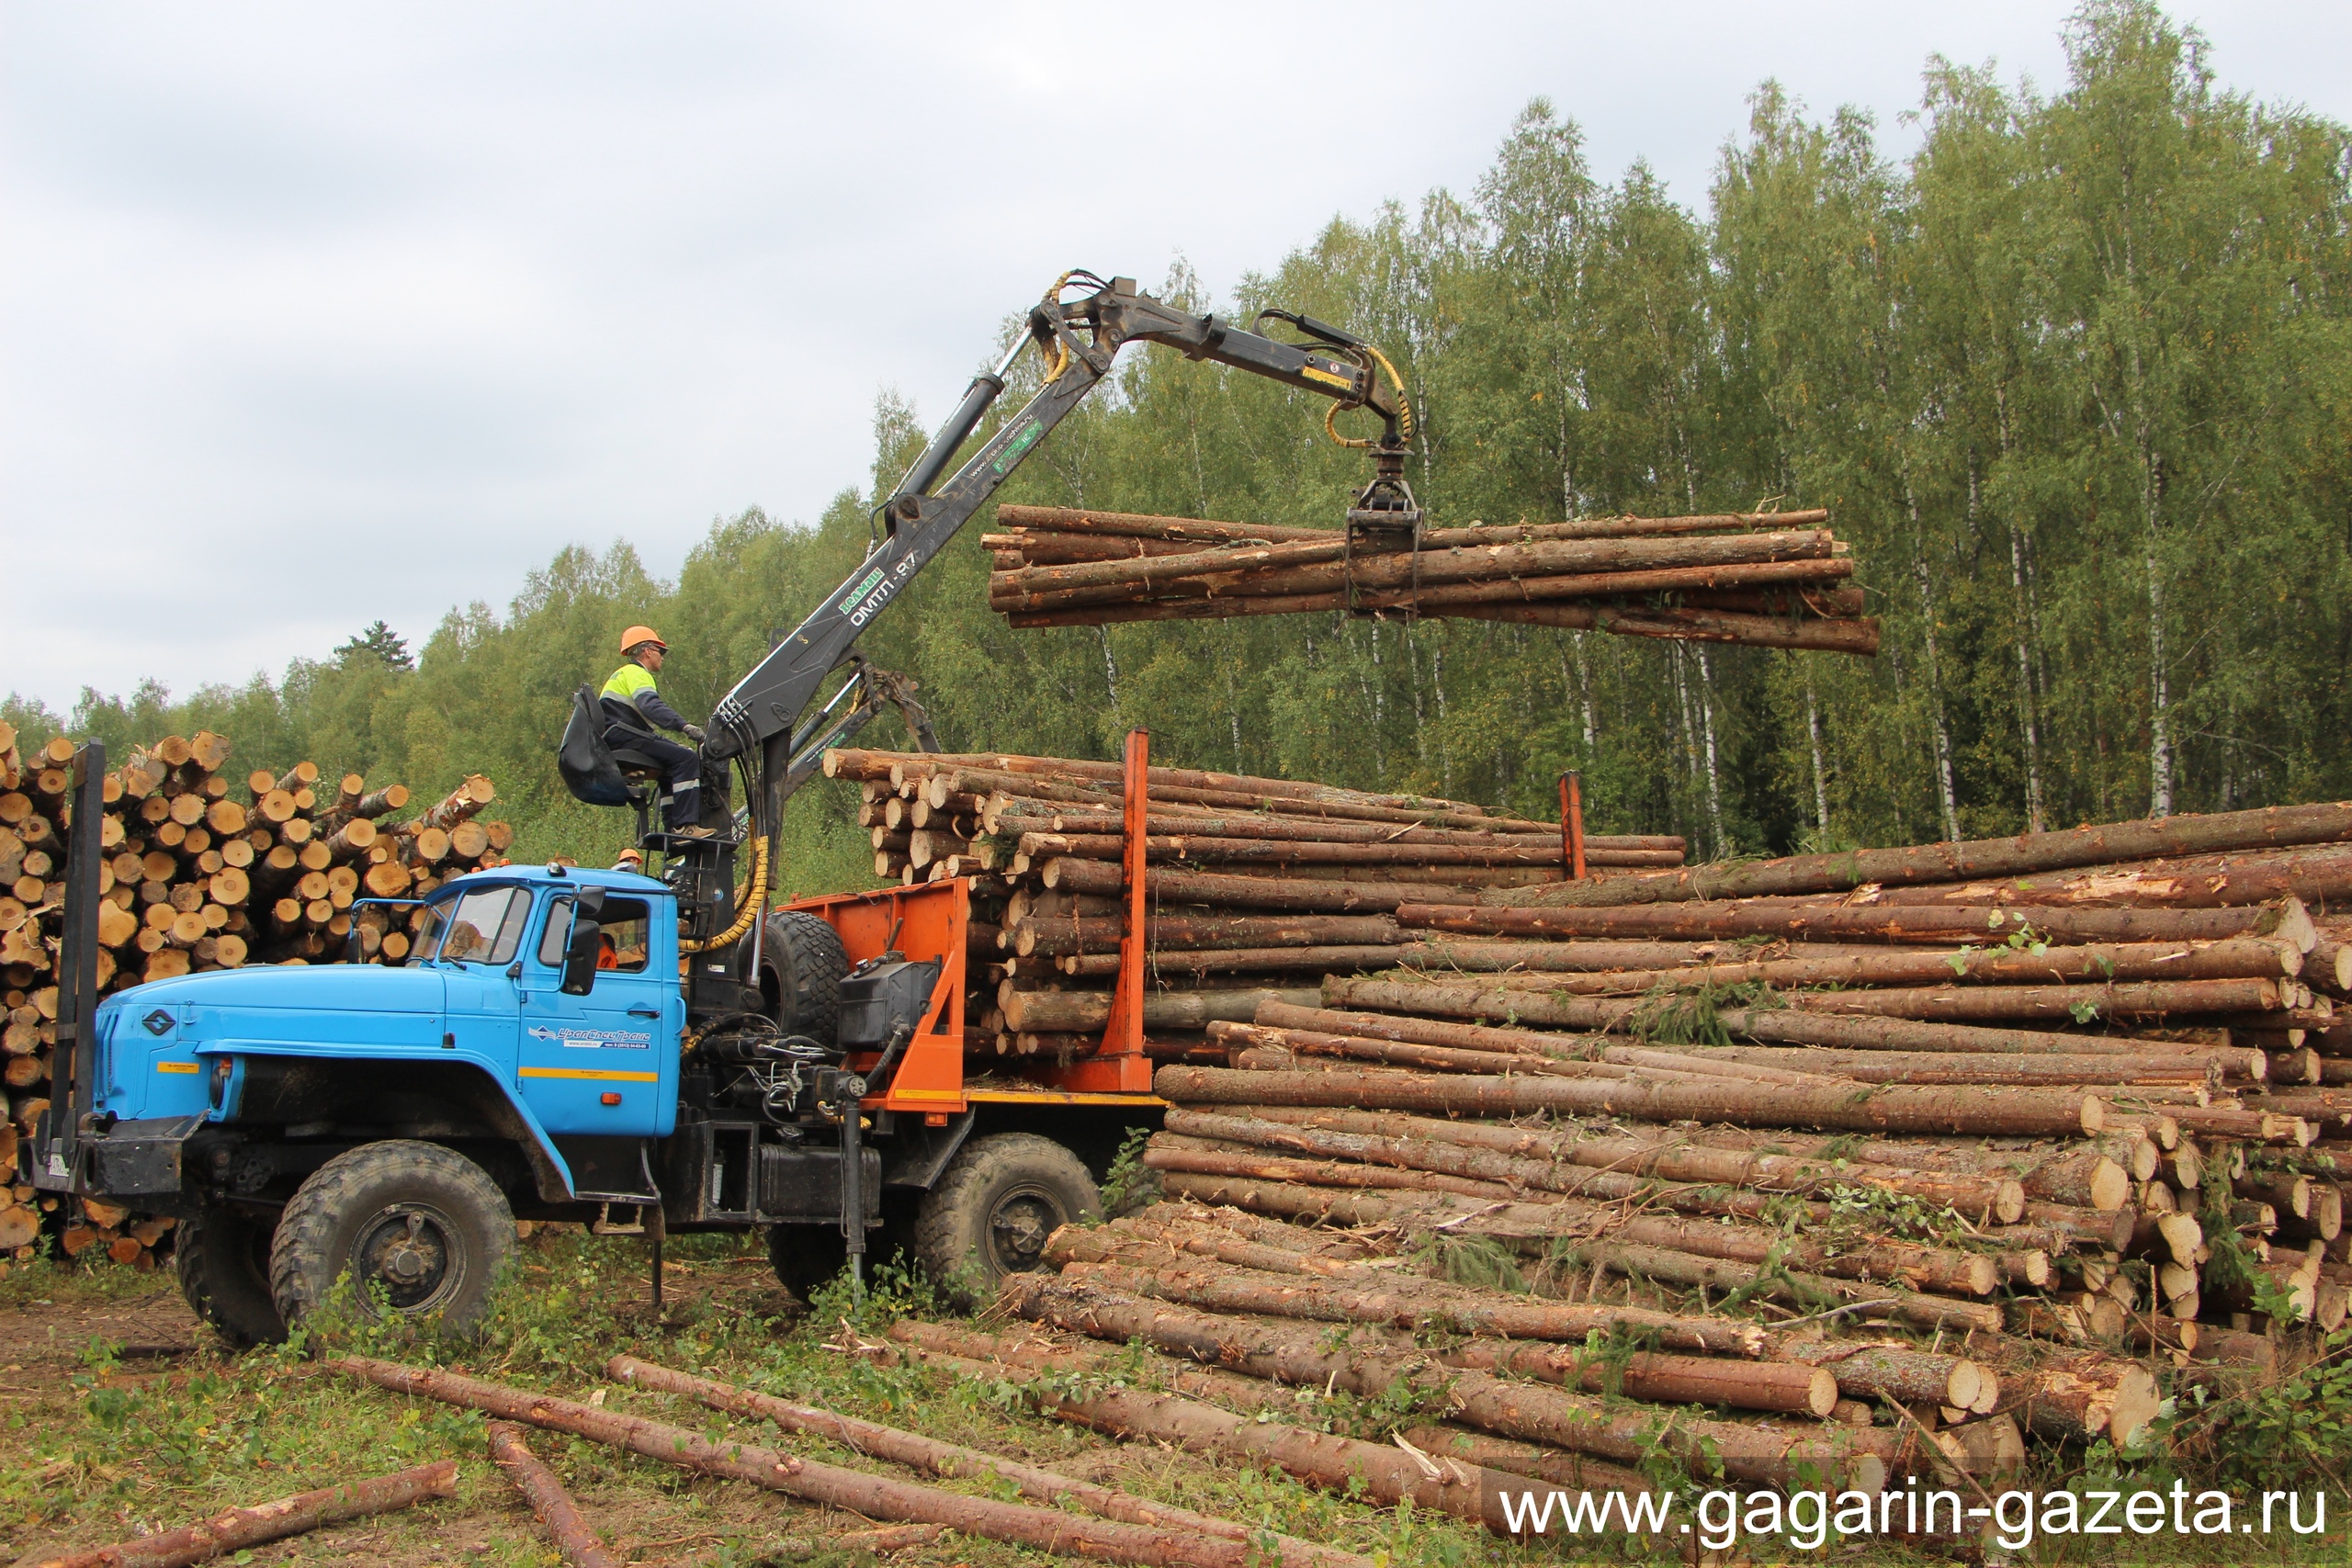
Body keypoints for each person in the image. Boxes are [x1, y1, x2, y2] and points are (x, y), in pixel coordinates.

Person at [600, 626, 708, 835]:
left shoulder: (621, 675)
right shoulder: (636, 673)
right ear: (648, 651)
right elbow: (650, 706)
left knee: (670, 766)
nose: (663, 657)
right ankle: (686, 826)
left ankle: (672, 829)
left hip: (620, 736)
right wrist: (683, 726)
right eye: (661, 651)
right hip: (627, 737)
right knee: (687, 758)